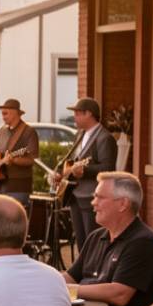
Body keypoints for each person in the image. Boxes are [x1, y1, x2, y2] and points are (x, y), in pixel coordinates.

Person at [62, 172, 153, 306]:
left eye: (100, 197)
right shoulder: (97, 236)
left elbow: (119, 294)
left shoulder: (143, 243)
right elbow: (71, 276)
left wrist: (70, 289)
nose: (93, 203)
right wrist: (44, 280)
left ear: (123, 204)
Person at [53, 97, 117, 249]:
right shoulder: (81, 134)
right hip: (75, 195)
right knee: (81, 243)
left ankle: (92, 271)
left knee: (92, 242)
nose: (74, 117)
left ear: (88, 114)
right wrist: (60, 172)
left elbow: (108, 168)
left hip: (91, 198)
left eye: (77, 113)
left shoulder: (105, 138)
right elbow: (73, 159)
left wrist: (85, 171)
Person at [0, 99, 40, 208]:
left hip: (18, 187)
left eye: (5, 113)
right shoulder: (1, 131)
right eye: (2, 113)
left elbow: (33, 159)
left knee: (13, 220)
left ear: (15, 113)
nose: (3, 116)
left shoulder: (29, 132)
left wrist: (14, 160)